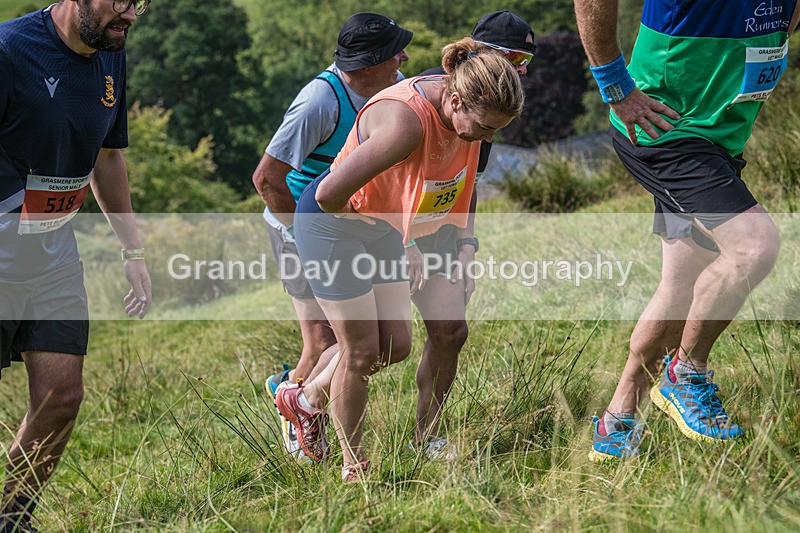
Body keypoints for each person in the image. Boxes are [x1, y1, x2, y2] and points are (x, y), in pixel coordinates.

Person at [276, 39, 524, 481]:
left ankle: (306, 398)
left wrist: (461, 246)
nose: (486, 139)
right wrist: (405, 241)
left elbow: (452, 189)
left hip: (381, 228)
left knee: (395, 346)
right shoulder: (405, 125)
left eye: (495, 132)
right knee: (361, 351)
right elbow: (330, 194)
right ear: (455, 99)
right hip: (331, 226)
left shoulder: (466, 116)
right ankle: (356, 469)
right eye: (483, 127)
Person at [574, 0, 800, 461]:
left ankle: (617, 423)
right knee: (753, 245)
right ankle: (687, 374)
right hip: (666, 129)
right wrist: (614, 84)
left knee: (681, 287)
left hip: (719, 135)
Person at [0, 0, 152, 529]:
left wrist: (132, 250)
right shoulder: (9, 50)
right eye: (122, 1)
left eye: (142, 3)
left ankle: (11, 518)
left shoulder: (112, 51)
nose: (132, 14)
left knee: (61, 396)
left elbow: (107, 157)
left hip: (53, 252)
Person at [251, 12, 412, 459]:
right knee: (324, 341)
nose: (404, 56)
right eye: (393, 52)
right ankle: (297, 422)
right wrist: (304, 239)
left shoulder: (397, 87)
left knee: (379, 341)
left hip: (359, 225)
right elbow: (267, 179)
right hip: (297, 225)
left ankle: (300, 397)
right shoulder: (320, 103)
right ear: (363, 67)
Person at [409, 10, 534, 455]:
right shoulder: (433, 97)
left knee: (450, 332)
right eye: (514, 56)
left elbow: (468, 183)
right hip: (381, 227)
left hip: (440, 229)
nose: (521, 68)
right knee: (369, 346)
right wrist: (402, 241)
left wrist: (466, 245)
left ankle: (426, 438)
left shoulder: (492, 105)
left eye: (527, 60)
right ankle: (306, 404)